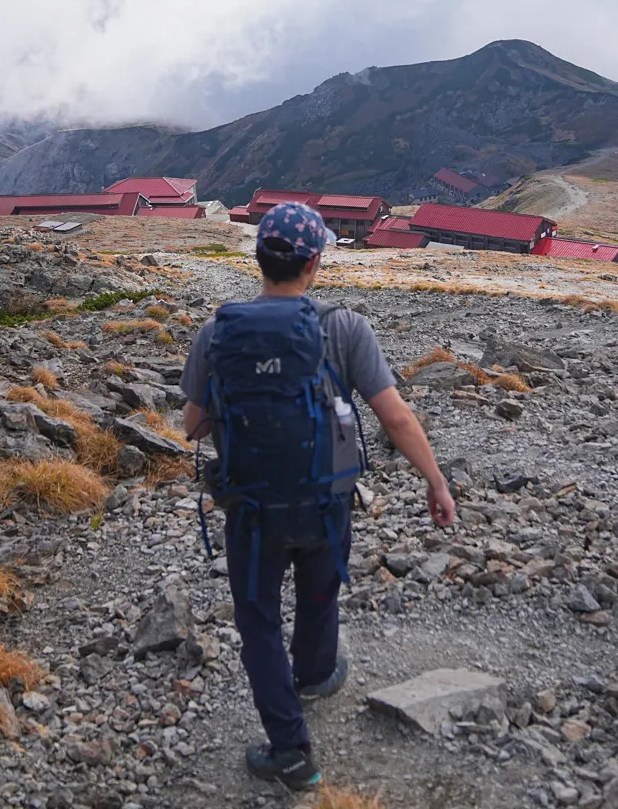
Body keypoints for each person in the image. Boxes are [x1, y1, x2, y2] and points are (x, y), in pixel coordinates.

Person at [181, 201, 457, 791]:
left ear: (259, 259)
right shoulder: (345, 327)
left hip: (249, 503)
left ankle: (290, 750)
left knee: (257, 621)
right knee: (319, 589)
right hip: (325, 497)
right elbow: (396, 418)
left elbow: (193, 426)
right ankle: (313, 672)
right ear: (314, 263)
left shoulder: (218, 331)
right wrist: (435, 480)